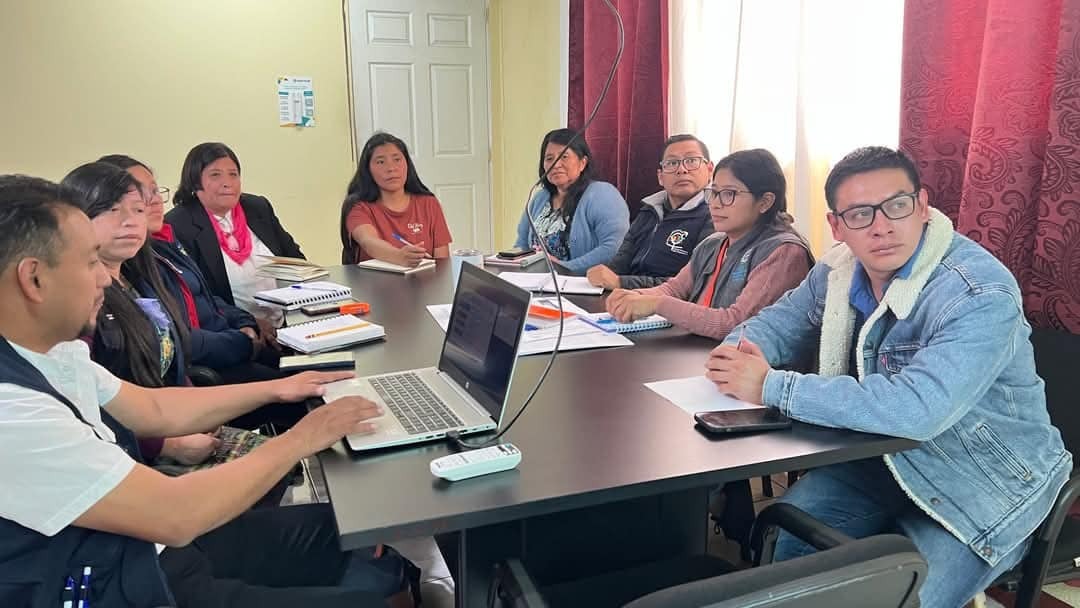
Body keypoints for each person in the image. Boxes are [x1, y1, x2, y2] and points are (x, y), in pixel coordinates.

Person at [0, 174, 416, 607]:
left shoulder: (53, 352)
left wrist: (279, 388)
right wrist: (302, 438)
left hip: (153, 553)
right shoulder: (12, 413)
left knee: (354, 537)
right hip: (131, 583)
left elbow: (154, 408)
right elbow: (174, 515)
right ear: (34, 279)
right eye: (89, 263)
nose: (104, 279)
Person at [704, 147, 1071, 607]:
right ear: (836, 226)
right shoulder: (838, 269)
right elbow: (779, 322)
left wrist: (770, 385)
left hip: (982, 479)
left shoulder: (978, 291)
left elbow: (917, 409)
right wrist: (738, 353)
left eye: (896, 206)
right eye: (860, 214)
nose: (881, 227)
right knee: (789, 546)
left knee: (896, 597)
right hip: (883, 459)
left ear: (922, 206)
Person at [99, 154, 283, 384]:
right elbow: (178, 337)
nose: (154, 201)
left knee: (309, 361)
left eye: (155, 190)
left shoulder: (163, 242)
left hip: (229, 342)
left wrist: (245, 322)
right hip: (211, 364)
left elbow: (207, 297)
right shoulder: (133, 261)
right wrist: (242, 343)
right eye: (139, 196)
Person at [606, 148, 813, 341]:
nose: (715, 204)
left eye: (729, 194)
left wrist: (657, 304)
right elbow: (674, 289)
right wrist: (633, 297)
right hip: (700, 353)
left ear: (765, 202)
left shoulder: (785, 252)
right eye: (714, 192)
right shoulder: (713, 243)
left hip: (749, 364)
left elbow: (735, 324)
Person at [165, 142, 305, 333]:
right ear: (195, 181)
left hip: (288, 321)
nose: (227, 182)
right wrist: (250, 324)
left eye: (233, 174)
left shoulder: (258, 207)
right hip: (234, 331)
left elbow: (295, 261)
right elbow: (199, 298)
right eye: (215, 175)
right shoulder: (179, 224)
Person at [586, 134, 715, 290]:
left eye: (692, 161)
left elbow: (694, 285)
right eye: (672, 163)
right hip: (627, 296)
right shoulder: (649, 210)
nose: (682, 170)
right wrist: (602, 277)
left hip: (665, 301)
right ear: (660, 177)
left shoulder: (715, 216)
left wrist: (621, 283)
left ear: (710, 170)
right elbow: (619, 264)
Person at [513, 128, 629, 274]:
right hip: (537, 281)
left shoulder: (602, 194)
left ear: (582, 163)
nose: (556, 164)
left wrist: (564, 268)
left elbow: (614, 248)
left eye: (564, 157)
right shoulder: (539, 198)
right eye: (549, 158)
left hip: (582, 283)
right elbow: (522, 244)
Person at [340, 132, 452, 266]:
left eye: (397, 159)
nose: (391, 168)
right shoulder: (358, 207)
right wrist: (399, 256)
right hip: (374, 280)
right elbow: (368, 241)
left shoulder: (428, 203)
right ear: (368, 170)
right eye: (381, 162)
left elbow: (442, 262)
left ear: (407, 164)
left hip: (425, 278)